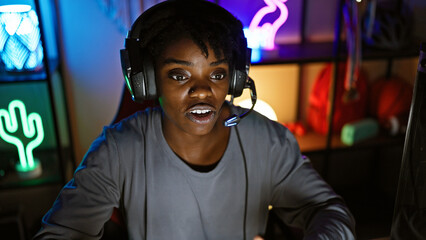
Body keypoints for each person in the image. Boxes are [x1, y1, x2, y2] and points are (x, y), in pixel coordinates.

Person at [34, 0, 356, 239]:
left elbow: (331, 213)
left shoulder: (269, 142)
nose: (202, 91)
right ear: (148, 81)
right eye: (179, 75)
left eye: (217, 74)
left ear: (234, 79)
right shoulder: (119, 149)